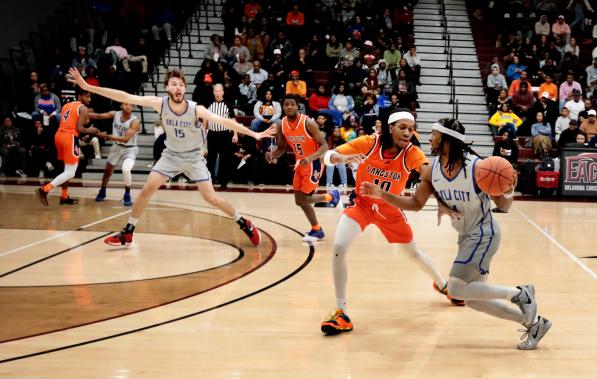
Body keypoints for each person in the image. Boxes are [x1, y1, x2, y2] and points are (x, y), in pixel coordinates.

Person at [360, 118, 548, 349]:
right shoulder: (432, 170)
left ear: (447, 139)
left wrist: (508, 190)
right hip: (466, 235)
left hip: (483, 232)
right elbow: (416, 203)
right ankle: (533, 324)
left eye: (434, 134)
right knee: (473, 301)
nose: (429, 138)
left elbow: (505, 206)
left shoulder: (479, 168)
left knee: (456, 288)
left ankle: (521, 293)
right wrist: (382, 195)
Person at [66, 67, 274, 246]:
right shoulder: (160, 103)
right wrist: (89, 87)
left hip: (193, 157)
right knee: (147, 189)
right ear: (167, 88)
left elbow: (226, 121)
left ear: (185, 88)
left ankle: (243, 222)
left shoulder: (195, 109)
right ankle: (128, 232)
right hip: (171, 155)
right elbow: (125, 97)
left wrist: (254, 133)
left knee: (211, 198)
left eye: (181, 85)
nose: (178, 88)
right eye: (174, 84)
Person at [319, 111, 454, 335]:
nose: (408, 133)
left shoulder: (412, 152)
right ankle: (341, 311)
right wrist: (340, 158)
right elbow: (328, 155)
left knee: (414, 253)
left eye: (411, 129)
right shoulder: (369, 142)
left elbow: (427, 174)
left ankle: (442, 284)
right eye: (403, 127)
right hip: (361, 204)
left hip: (390, 208)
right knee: (339, 248)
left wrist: (441, 198)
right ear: (390, 128)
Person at [266, 95, 339, 242]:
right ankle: (316, 229)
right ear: (283, 107)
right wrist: (272, 154)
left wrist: (310, 158)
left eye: (292, 104)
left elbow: (324, 145)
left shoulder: (308, 123)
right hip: (300, 163)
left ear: (297, 106)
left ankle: (331, 197)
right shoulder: (282, 124)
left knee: (305, 198)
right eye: (286, 104)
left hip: (314, 164)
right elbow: (281, 148)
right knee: (299, 201)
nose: (290, 107)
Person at [36, 89, 108, 206]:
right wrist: (92, 130)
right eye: (87, 96)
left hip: (59, 136)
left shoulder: (67, 105)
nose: (89, 99)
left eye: (90, 97)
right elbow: (80, 129)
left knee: (66, 169)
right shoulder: (83, 108)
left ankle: (64, 196)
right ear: (79, 96)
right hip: (69, 137)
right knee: (70, 172)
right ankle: (44, 190)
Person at [94, 102, 141, 206]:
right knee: (107, 172)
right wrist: (82, 113)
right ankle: (102, 191)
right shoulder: (115, 114)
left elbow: (125, 139)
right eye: (125, 104)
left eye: (130, 105)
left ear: (132, 107)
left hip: (130, 149)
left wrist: (108, 136)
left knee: (126, 169)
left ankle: (127, 194)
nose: (128, 106)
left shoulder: (135, 121)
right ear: (121, 105)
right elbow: (98, 115)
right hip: (116, 147)